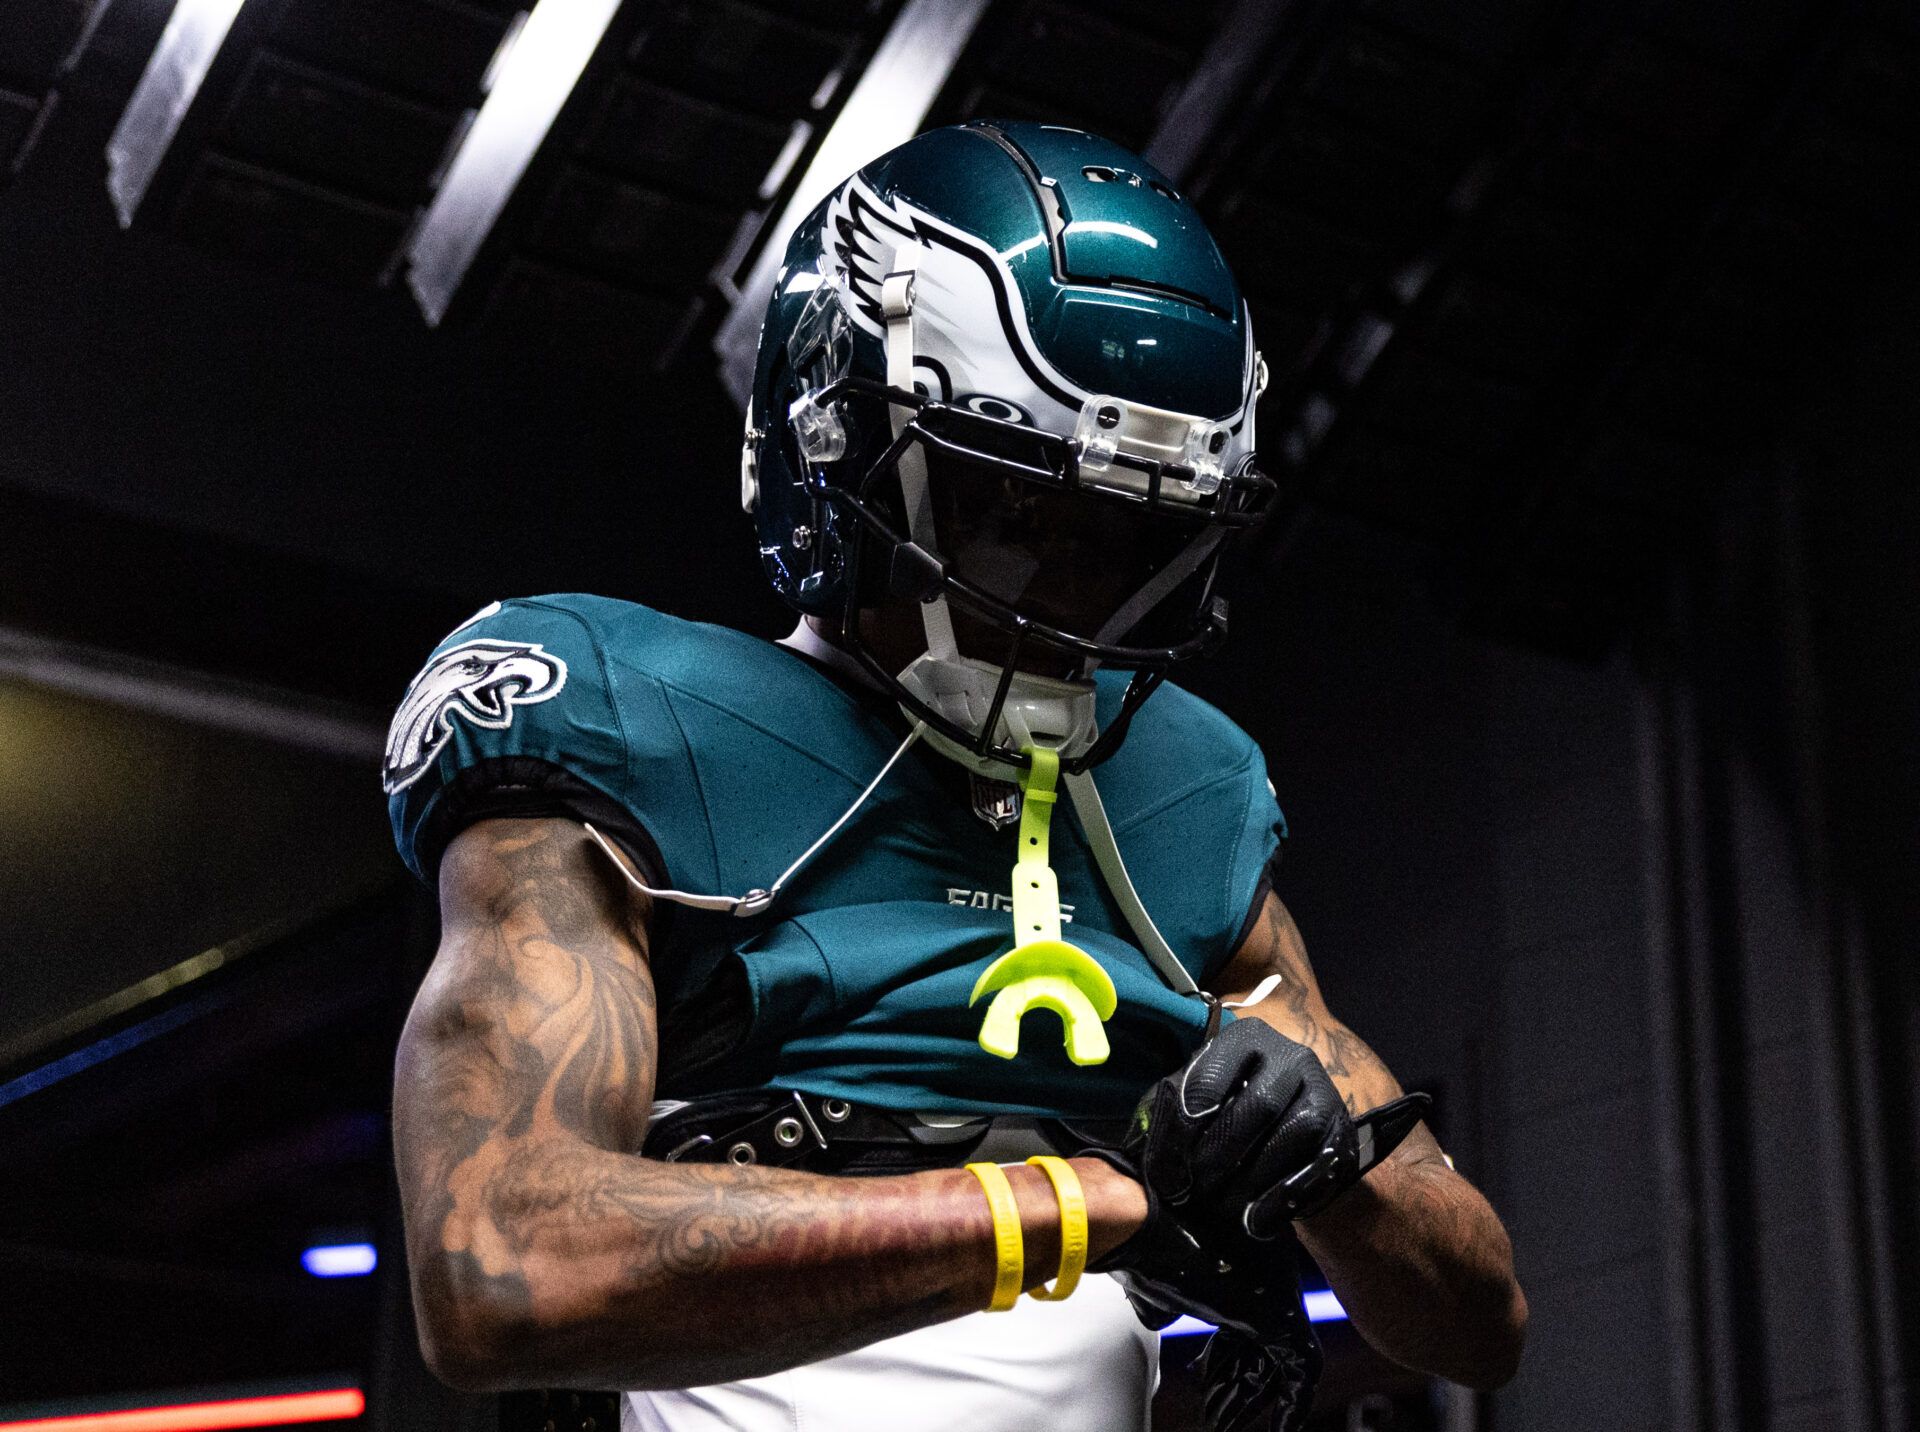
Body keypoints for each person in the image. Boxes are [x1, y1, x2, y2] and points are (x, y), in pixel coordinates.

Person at [383, 122, 1526, 1432]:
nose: (1069, 599)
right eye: (1011, 517)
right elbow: (501, 1263)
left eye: (1131, 539)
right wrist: (1061, 1205)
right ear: (831, 447)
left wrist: (1331, 1166)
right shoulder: (621, 712)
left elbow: (1477, 1316)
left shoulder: (1185, 792)